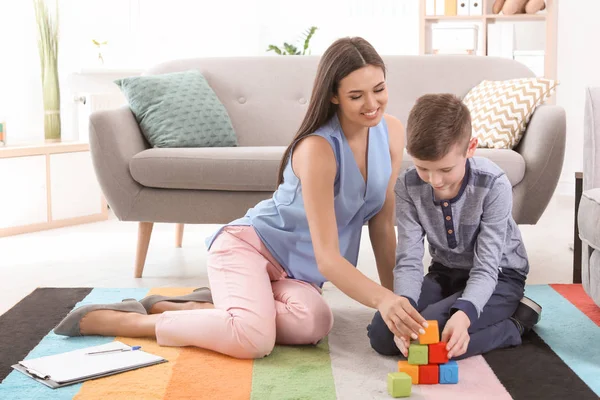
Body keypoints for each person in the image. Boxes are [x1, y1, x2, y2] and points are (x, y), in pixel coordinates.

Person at [53, 37, 428, 359]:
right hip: (248, 249)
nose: (372, 104)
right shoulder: (318, 150)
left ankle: (213, 304)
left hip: (295, 274)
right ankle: (135, 321)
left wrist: (399, 307)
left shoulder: (392, 133)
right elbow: (329, 259)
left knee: (315, 322)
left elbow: (381, 224)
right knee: (254, 339)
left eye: (379, 89)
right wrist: (381, 300)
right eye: (356, 96)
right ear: (333, 96)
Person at [367, 93, 542, 360]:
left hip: (499, 277)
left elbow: (487, 266)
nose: (434, 180)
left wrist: (465, 314)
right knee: (382, 334)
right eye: (423, 168)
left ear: (470, 148)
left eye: (446, 169)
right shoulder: (407, 186)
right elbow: (409, 260)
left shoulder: (493, 183)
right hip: (445, 273)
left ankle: (514, 325)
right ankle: (457, 312)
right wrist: (405, 306)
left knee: (431, 340)